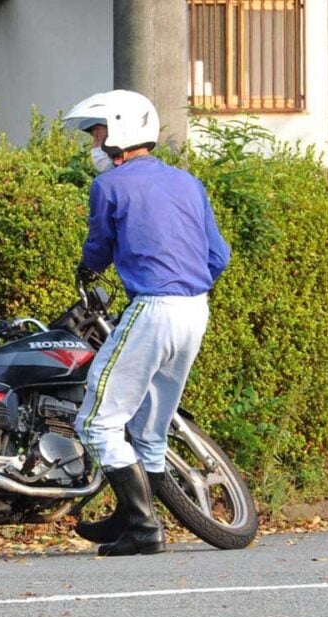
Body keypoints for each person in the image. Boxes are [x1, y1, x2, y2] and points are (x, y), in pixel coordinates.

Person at [63, 90, 231, 557]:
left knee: (96, 423)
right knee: (150, 429)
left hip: (153, 309)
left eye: (96, 134)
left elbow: (99, 248)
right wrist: (185, 283)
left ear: (118, 133)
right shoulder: (187, 182)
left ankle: (143, 526)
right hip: (195, 308)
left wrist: (87, 270)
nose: (93, 144)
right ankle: (130, 518)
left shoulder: (109, 186)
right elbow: (218, 255)